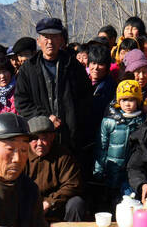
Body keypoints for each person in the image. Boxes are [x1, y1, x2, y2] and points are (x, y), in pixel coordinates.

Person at [15, 16, 94, 167]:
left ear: (61, 40)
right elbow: (21, 102)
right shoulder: (28, 69)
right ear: (38, 41)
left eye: (54, 37)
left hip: (70, 137)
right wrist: (45, 117)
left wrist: (74, 121)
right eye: (45, 37)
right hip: (39, 138)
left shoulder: (73, 66)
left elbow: (86, 99)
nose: (49, 42)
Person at [95, 80, 147, 210]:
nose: (127, 104)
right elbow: (102, 147)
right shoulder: (109, 122)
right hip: (112, 170)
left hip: (133, 172)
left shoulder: (143, 122)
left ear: (138, 101)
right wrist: (99, 169)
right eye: (123, 100)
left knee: (130, 202)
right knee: (112, 203)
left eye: (131, 100)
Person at [27, 115, 86, 222]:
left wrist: (49, 202)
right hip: (29, 205)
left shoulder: (63, 155)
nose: (39, 143)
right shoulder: (22, 155)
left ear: (52, 137)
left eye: (44, 138)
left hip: (57, 204)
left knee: (76, 203)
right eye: (35, 138)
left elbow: (72, 184)